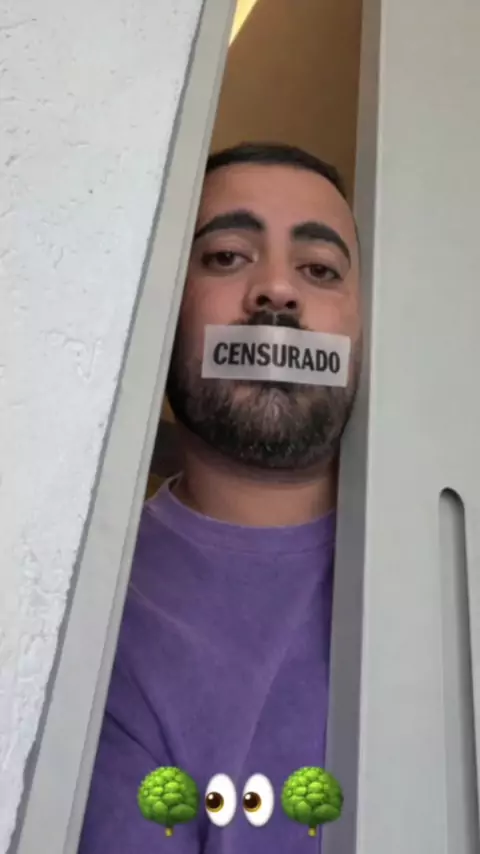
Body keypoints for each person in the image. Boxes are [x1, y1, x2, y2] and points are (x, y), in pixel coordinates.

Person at [78, 142, 362, 853]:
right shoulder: (91, 621)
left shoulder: (451, 560)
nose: (277, 292)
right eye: (228, 256)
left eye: (319, 269)